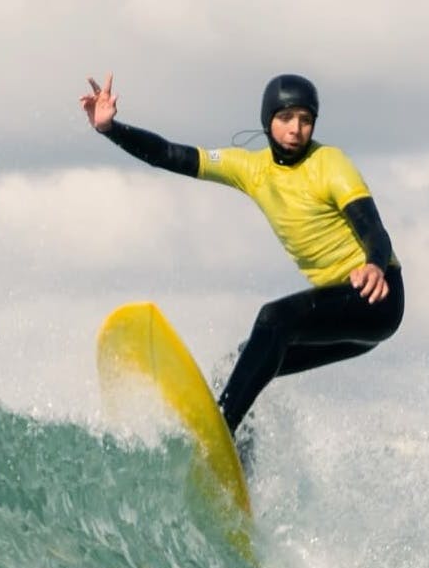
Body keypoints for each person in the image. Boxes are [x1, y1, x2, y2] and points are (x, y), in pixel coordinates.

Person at [80, 72, 404, 438]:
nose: (296, 129)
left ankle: (220, 430)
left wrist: (374, 265)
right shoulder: (251, 168)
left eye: (305, 119)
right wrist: (111, 129)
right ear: (268, 120)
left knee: (273, 319)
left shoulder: (330, 163)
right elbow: (169, 154)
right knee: (242, 363)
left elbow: (374, 230)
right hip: (339, 312)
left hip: (377, 300)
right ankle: (239, 460)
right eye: (286, 118)